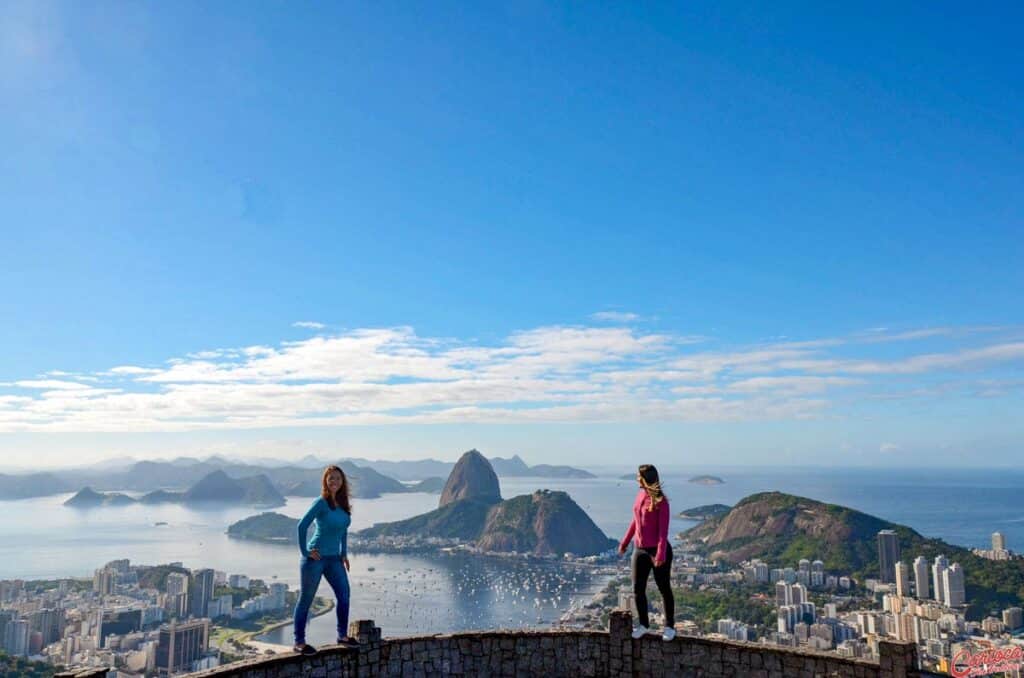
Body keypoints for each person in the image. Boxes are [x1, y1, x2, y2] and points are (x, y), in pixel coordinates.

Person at [292, 465, 357, 655]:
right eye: (331, 479)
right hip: (316, 558)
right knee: (306, 599)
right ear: (325, 482)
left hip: (334, 559)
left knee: (344, 595)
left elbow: (343, 530)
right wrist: (305, 551)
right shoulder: (321, 503)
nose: (334, 481)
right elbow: (301, 526)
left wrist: (344, 553)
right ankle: (299, 642)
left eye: (337, 478)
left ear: (342, 481)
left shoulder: (344, 505)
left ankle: (342, 636)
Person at [618, 464, 676, 640]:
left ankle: (669, 627)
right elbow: (635, 521)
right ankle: (644, 625)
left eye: (638, 476)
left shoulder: (661, 502)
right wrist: (625, 542)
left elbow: (663, 532)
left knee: (663, 588)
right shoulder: (640, 495)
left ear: (644, 478)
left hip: (657, 550)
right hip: (640, 550)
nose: (636, 478)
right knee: (637, 589)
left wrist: (660, 554)